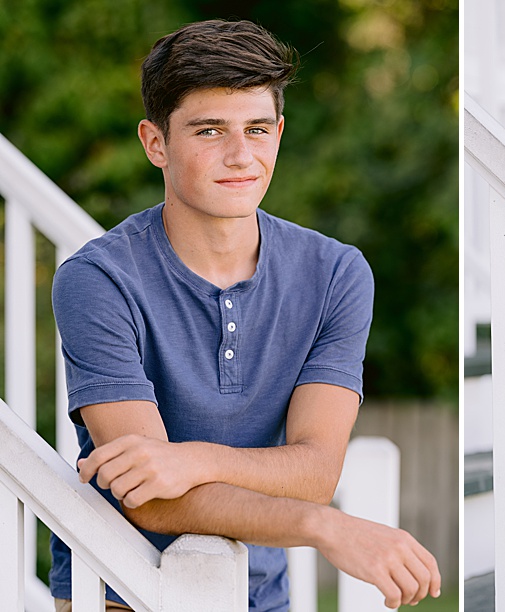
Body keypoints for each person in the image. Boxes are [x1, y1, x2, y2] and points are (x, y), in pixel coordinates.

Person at [48, 19, 440, 611]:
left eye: (258, 129)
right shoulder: (97, 279)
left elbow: (316, 472)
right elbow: (148, 498)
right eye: (209, 130)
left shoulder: (336, 273)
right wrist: (323, 527)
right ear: (156, 142)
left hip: (258, 594)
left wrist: (190, 458)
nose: (240, 156)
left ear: (279, 133)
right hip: (116, 592)